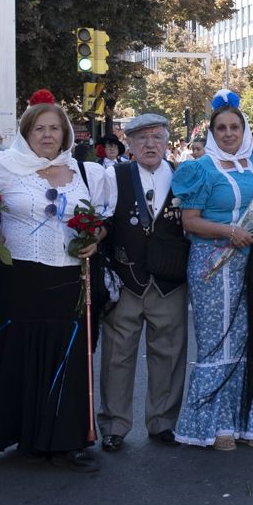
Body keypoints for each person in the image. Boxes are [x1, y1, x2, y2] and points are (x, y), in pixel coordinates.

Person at [0, 90, 115, 471]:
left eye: (54, 128)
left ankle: (64, 441)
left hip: (68, 275)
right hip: (19, 276)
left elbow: (99, 221)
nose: (47, 135)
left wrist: (94, 239)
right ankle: (20, 433)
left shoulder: (87, 172)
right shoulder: (2, 168)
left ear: (66, 134)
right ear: (26, 133)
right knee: (18, 350)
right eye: (39, 129)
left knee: (64, 353)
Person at [170, 90, 253, 450]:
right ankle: (213, 426)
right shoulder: (199, 169)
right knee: (216, 342)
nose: (228, 133)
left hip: (250, 261)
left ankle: (247, 420)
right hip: (211, 262)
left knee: (247, 338)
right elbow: (190, 222)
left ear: (244, 130)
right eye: (221, 128)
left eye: (234, 127)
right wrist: (231, 232)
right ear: (212, 133)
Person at [96, 113, 191, 450]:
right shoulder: (114, 175)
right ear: (130, 144)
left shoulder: (184, 176)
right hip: (127, 279)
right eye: (142, 138)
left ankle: (163, 422)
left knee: (169, 352)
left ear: (167, 142)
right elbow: (102, 219)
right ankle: (114, 426)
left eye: (156, 137)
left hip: (169, 280)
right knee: (117, 356)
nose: (150, 144)